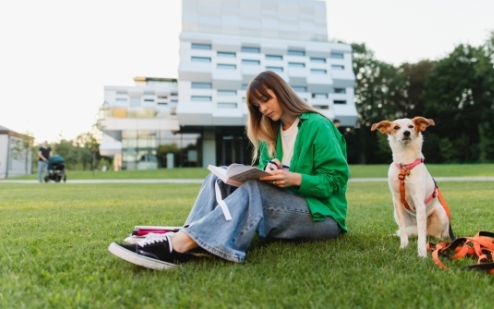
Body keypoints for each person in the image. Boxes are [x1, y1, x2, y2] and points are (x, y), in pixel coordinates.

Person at [108, 71, 350, 270]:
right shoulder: (271, 134)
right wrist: (268, 170)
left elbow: (336, 180)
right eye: (257, 106)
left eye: (266, 99)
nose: (263, 109)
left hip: (322, 216)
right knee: (218, 176)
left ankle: (178, 244)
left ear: (282, 93)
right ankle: (190, 236)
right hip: (286, 206)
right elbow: (267, 174)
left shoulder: (317, 125)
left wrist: (295, 178)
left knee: (254, 189)